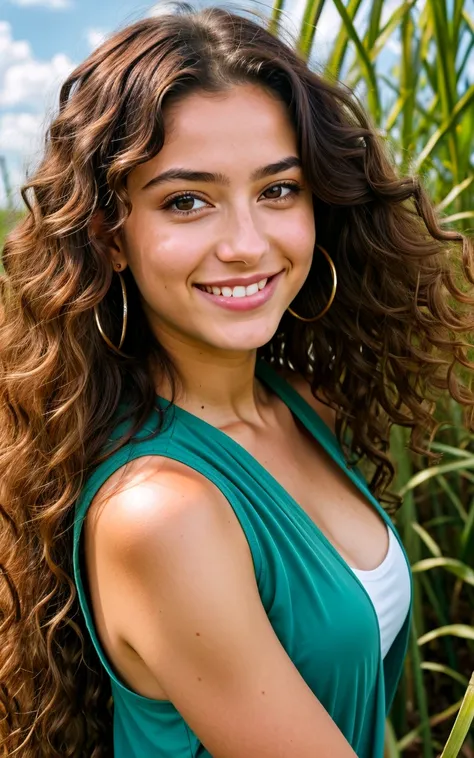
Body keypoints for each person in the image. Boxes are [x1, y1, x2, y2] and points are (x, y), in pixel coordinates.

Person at [1, 3, 473, 757]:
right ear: (109, 236)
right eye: (187, 201)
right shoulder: (162, 513)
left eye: (278, 189)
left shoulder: (299, 403)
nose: (247, 244)